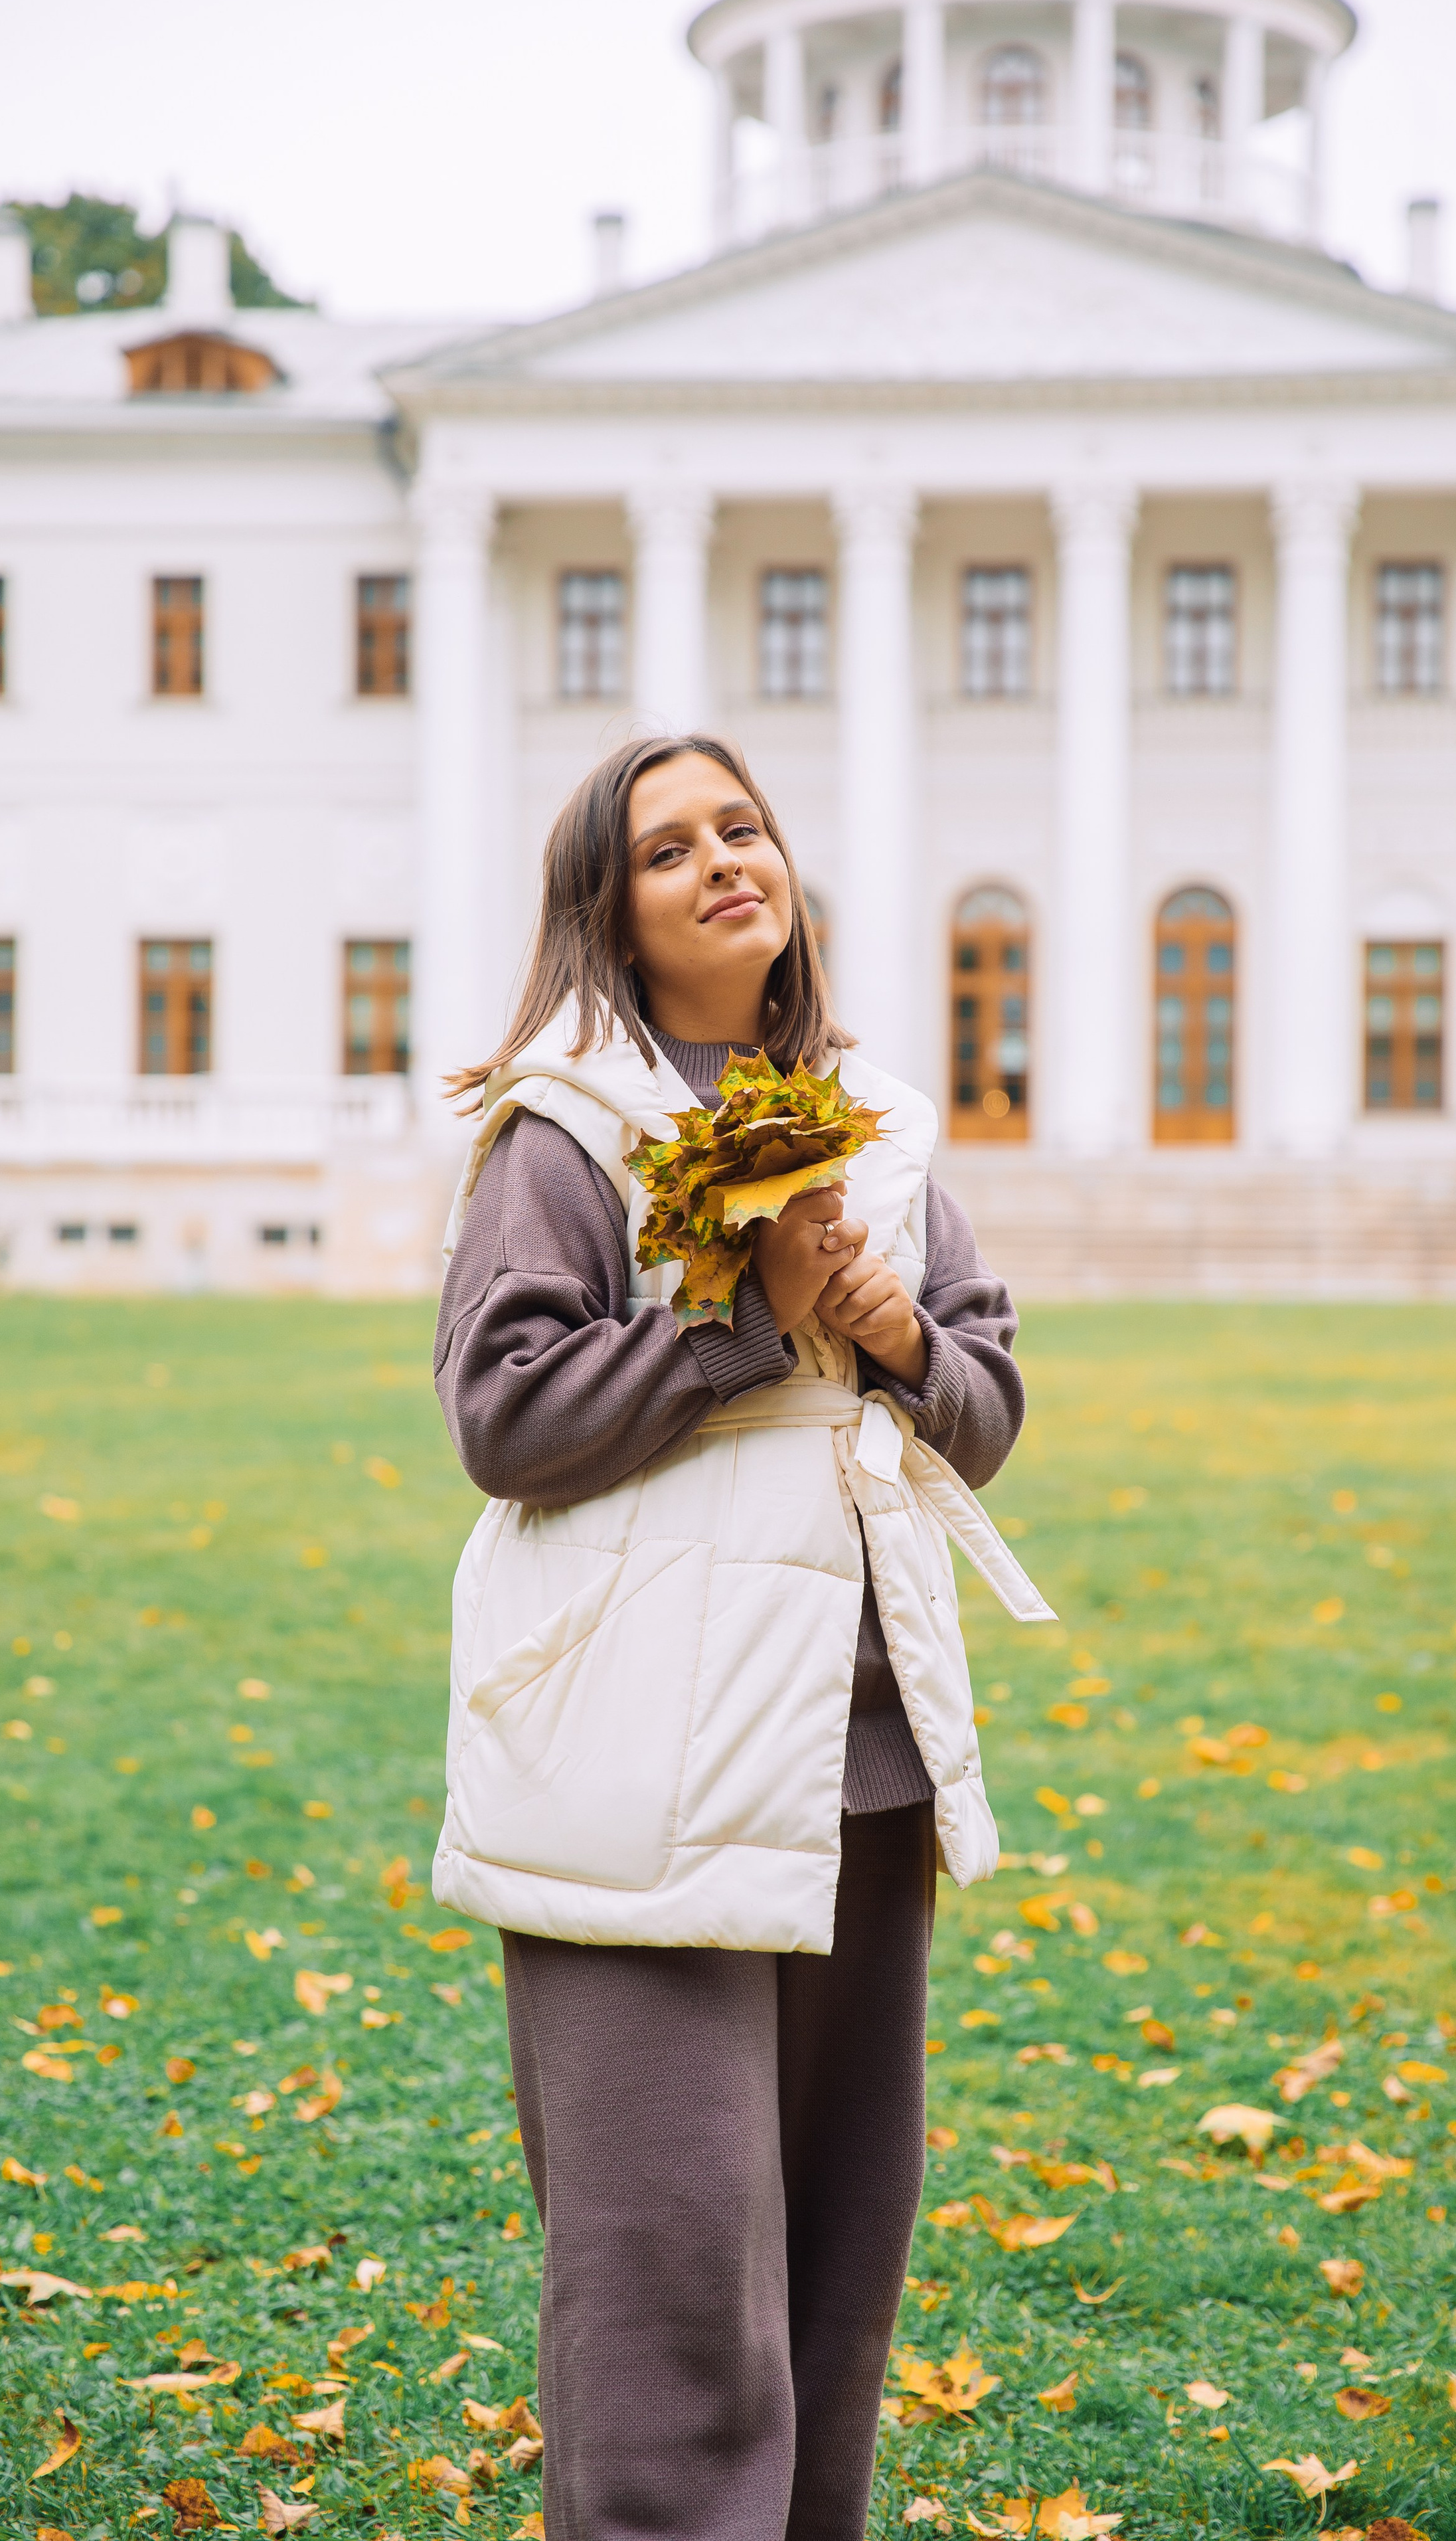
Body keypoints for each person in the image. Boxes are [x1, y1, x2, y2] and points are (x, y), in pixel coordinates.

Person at [432, 733, 1050, 2541]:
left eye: (744, 825)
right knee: (671, 2294)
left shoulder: (886, 1119)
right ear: (606, 912)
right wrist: (741, 1327)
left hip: (856, 1762)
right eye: (664, 845)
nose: (721, 859)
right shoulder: (569, 1130)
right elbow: (499, 1409)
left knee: (838, 2271)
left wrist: (899, 1333)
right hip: (640, 1756)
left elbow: (989, 1397)